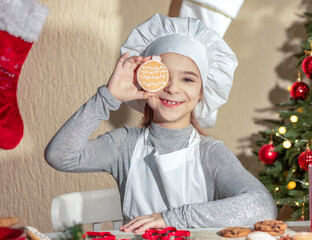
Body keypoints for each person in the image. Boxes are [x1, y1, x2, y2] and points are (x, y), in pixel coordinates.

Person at [45, 14, 277, 233]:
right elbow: (60, 155)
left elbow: (262, 206)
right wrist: (108, 96)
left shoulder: (209, 153)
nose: (173, 88)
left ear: (201, 92)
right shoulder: (123, 145)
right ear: (145, 81)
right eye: (162, 76)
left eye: (187, 79)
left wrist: (172, 218)